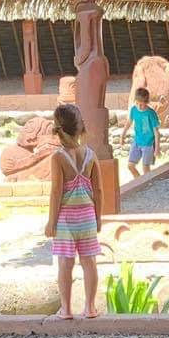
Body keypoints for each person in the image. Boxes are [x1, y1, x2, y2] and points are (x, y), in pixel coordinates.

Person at [45, 103, 101, 320]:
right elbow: (98, 190)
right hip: (87, 217)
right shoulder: (91, 155)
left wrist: (51, 222)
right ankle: (90, 308)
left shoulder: (58, 157)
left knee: (65, 264)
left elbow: (56, 192)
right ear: (80, 127)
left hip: (66, 220)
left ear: (58, 128)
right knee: (89, 262)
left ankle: (66, 309)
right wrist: (98, 218)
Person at [128, 86, 160, 177]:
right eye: (137, 103)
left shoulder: (151, 113)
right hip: (137, 142)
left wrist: (157, 148)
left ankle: (147, 184)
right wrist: (122, 135)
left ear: (147, 102)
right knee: (130, 166)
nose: (139, 106)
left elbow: (156, 132)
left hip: (148, 144)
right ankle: (140, 181)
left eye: (142, 104)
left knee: (145, 168)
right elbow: (129, 122)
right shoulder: (134, 110)